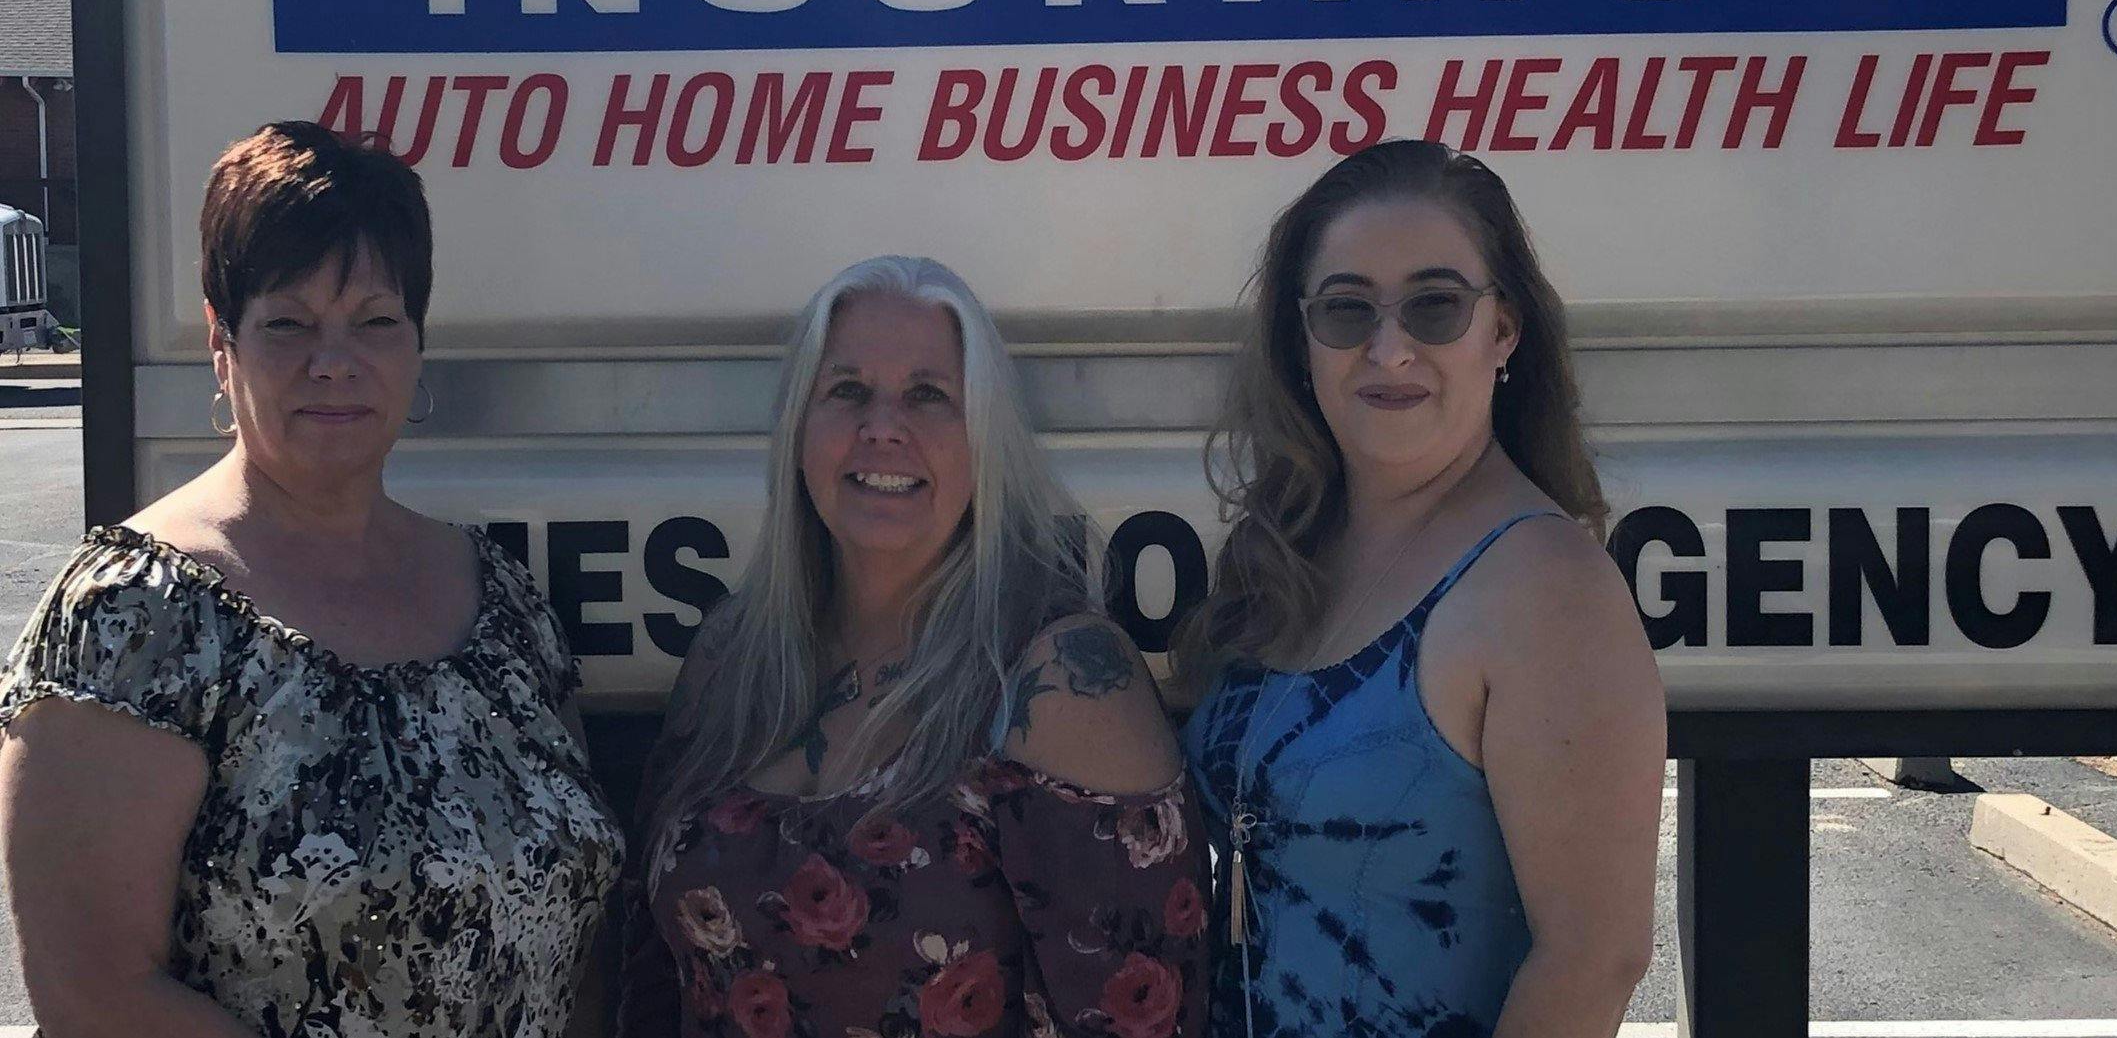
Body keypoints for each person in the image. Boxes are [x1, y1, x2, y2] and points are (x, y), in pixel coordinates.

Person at [0, 121, 623, 1037]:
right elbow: (95, 996)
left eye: (376, 320)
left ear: (416, 345)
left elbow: (580, 945)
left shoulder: (501, 599)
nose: (335, 360)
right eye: (288, 322)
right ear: (223, 341)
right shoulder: (130, 615)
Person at [621, 255, 1207, 1038]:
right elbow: (650, 976)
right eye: (847, 390)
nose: (883, 426)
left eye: (928, 395)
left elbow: (1144, 1020)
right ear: (800, 431)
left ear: (984, 441)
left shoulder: (1061, 678)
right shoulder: (734, 653)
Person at [1175, 139, 1664, 1038]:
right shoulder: (1289, 552)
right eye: (1346, 308)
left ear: (1504, 329)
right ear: (1303, 337)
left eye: (1435, 306)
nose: (1389, 349)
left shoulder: (1544, 589)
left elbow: (1594, 959)